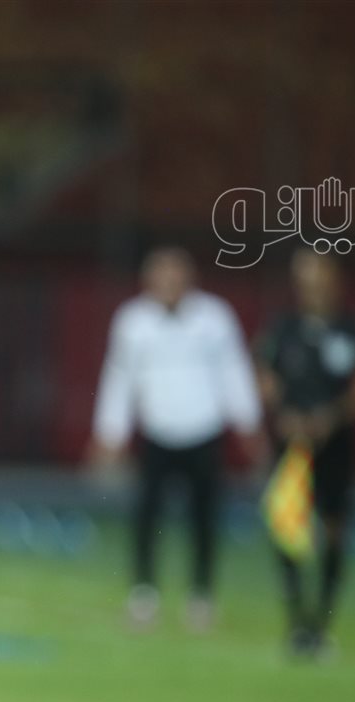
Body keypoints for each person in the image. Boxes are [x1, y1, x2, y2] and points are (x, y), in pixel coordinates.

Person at [89, 247, 263, 630]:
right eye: (161, 275)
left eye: (175, 275)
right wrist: (110, 433)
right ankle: (144, 593)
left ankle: (201, 595)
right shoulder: (133, 321)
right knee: (147, 517)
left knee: (205, 518)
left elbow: (234, 371)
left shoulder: (214, 317)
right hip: (157, 430)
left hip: (204, 429)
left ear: (189, 278)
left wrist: (248, 423)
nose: (168, 283)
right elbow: (119, 379)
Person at [256, 249, 355, 656]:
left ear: (335, 280)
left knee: (334, 527)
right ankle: (296, 620)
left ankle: (323, 622)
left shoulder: (354, 329)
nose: (311, 287)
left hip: (336, 443)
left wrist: (331, 417)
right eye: (304, 279)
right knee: (287, 524)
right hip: (291, 442)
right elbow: (265, 376)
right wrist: (285, 414)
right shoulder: (283, 327)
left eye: (318, 278)